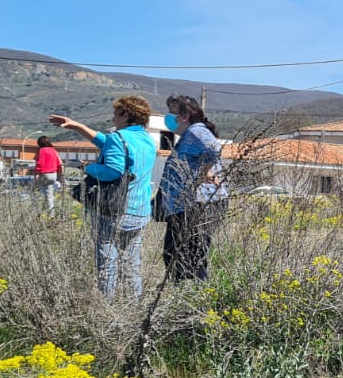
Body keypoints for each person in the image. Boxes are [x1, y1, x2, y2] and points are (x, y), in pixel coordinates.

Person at [49, 96, 157, 298]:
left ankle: (107, 306)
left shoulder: (119, 138)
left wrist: (87, 167)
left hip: (114, 211)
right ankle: (134, 305)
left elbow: (114, 170)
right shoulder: (147, 140)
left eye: (116, 114)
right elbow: (110, 144)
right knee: (132, 263)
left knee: (107, 264)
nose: (113, 118)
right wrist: (78, 127)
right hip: (140, 211)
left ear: (125, 115)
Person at [159, 96, 229, 281]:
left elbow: (213, 148)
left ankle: (190, 299)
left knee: (185, 257)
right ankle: (189, 296)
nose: (168, 116)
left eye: (171, 112)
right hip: (188, 204)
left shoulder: (196, 132)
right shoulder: (189, 134)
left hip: (194, 204)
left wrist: (204, 173)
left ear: (184, 116)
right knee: (184, 256)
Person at [33, 135, 62, 213]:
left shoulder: (42, 150)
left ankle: (38, 212)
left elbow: (40, 162)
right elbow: (59, 163)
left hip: (44, 173)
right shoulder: (54, 150)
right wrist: (60, 174)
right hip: (53, 174)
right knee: (49, 194)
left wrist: (36, 173)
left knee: (37, 192)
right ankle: (51, 213)